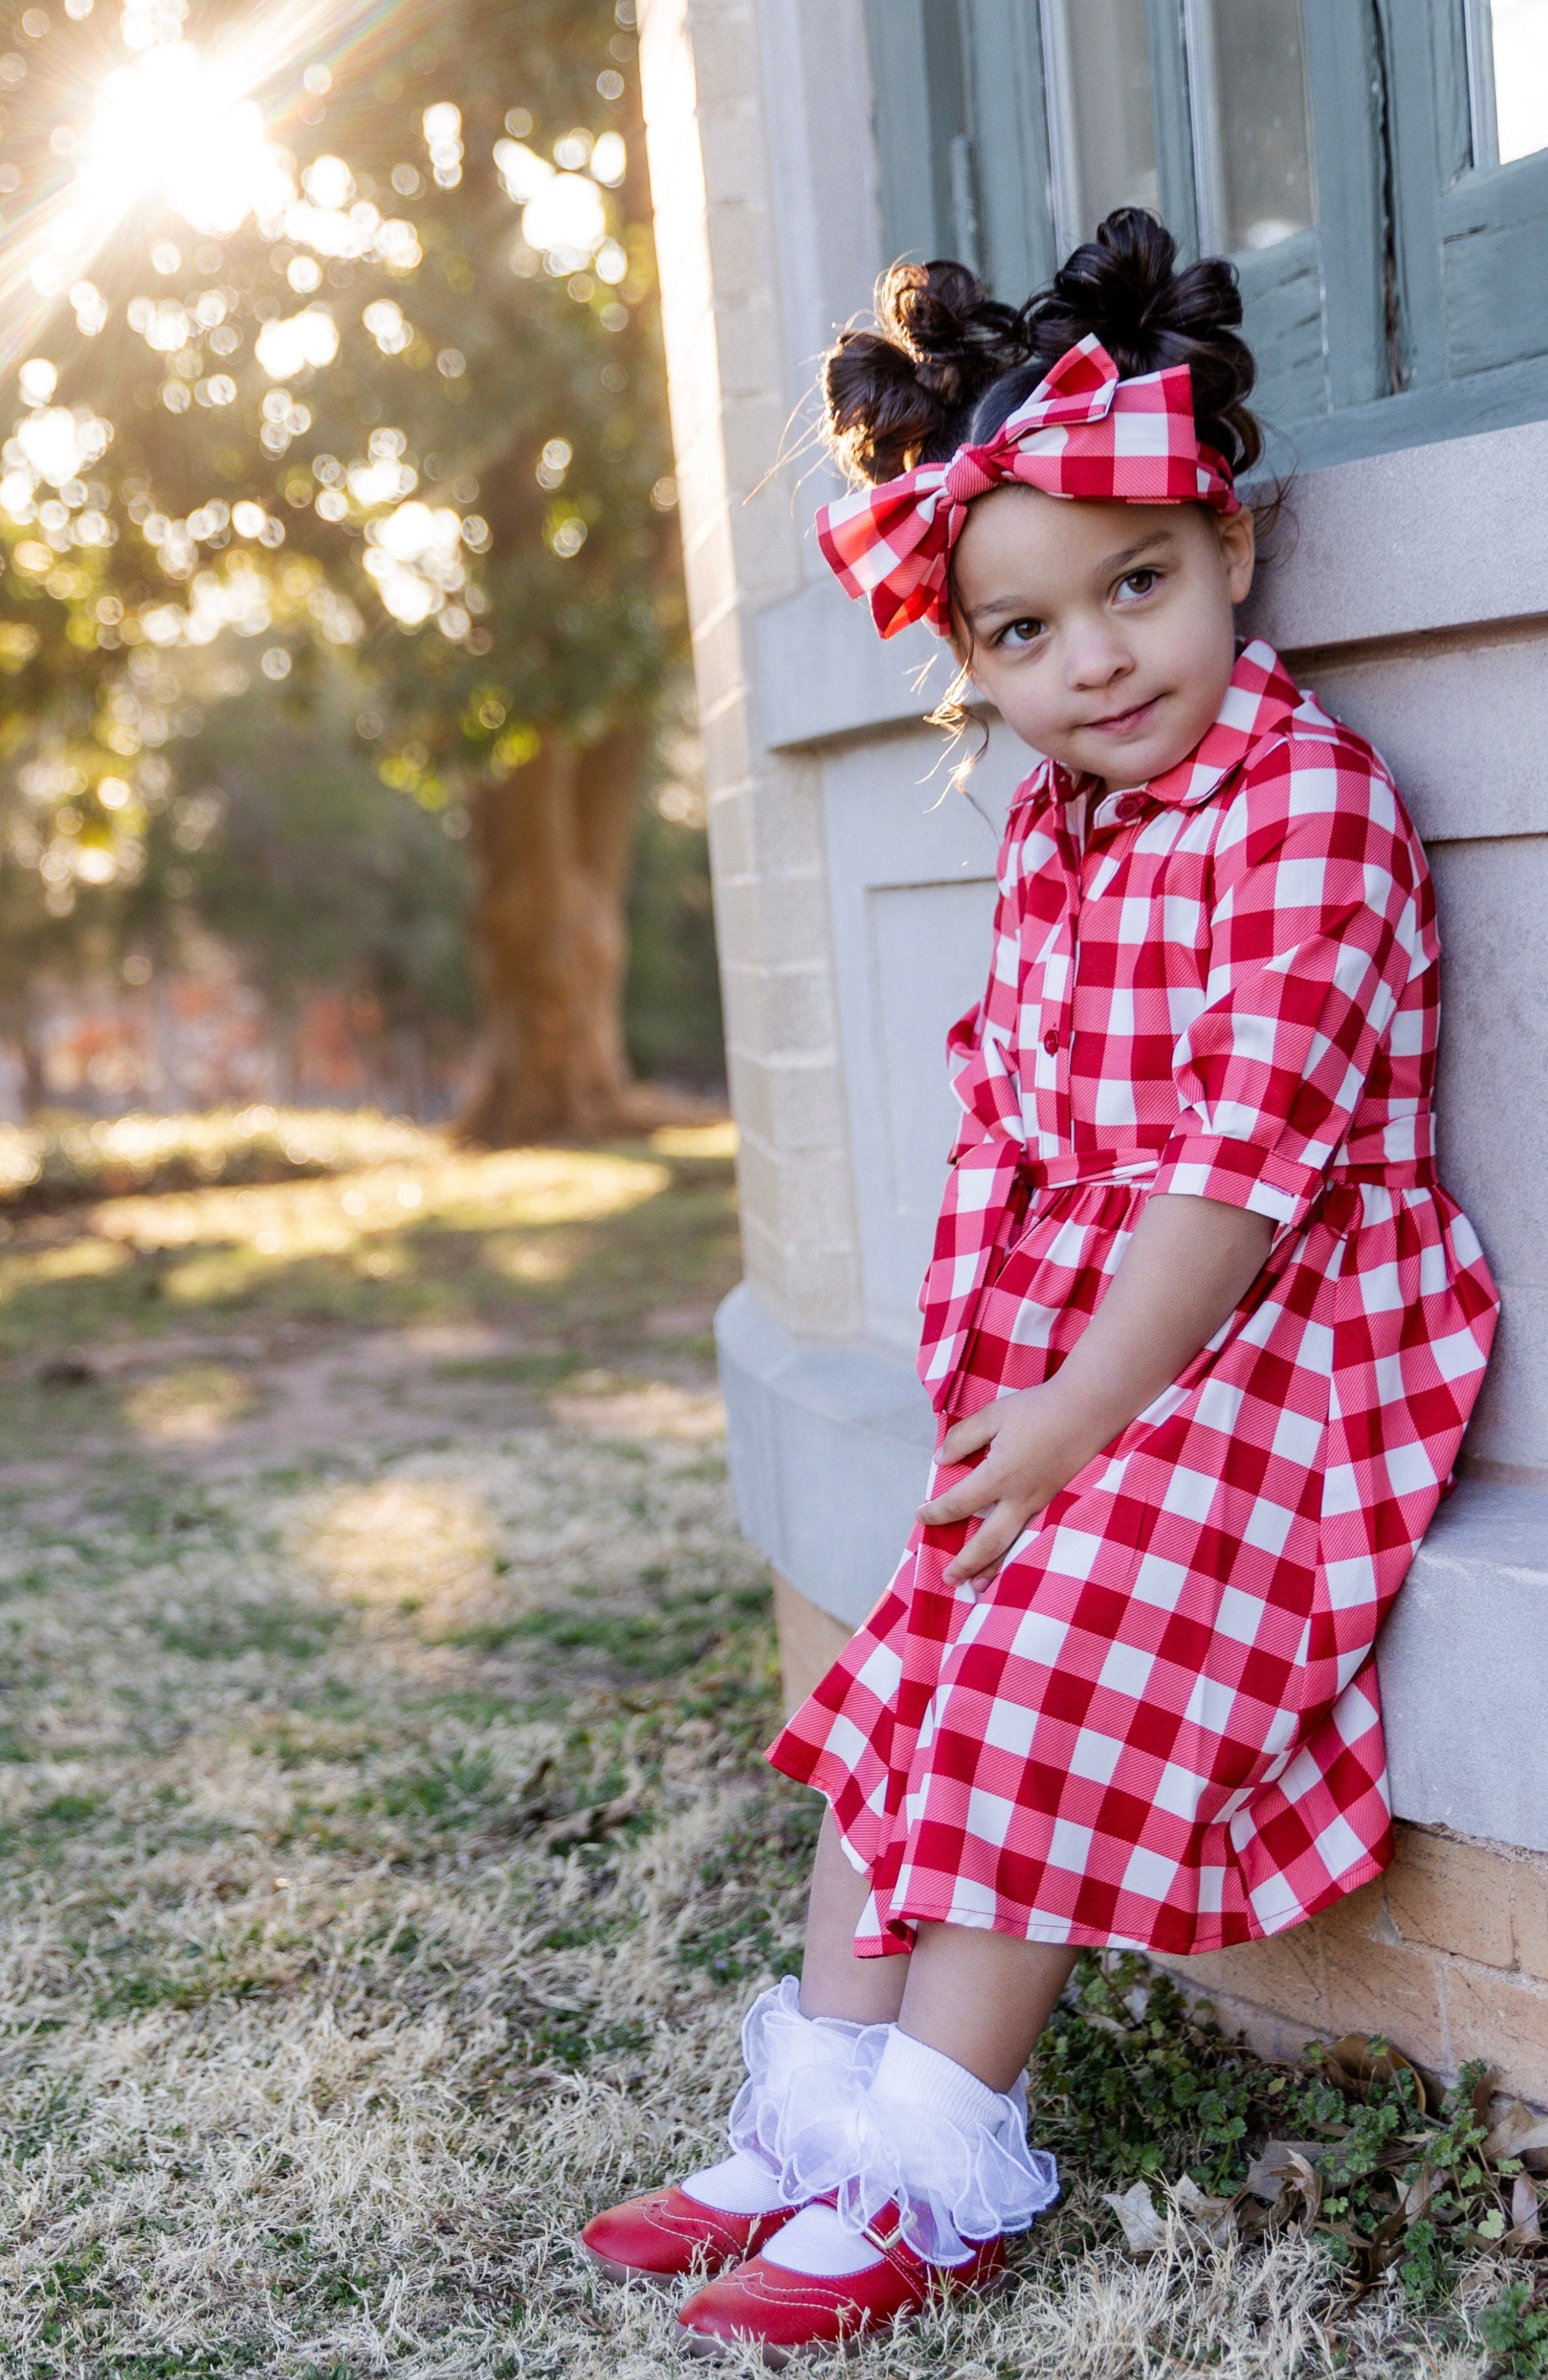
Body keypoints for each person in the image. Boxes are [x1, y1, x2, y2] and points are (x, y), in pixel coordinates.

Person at [579, 209, 1499, 2362]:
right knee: (905, 1687)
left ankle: (931, 2162)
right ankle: (814, 2113)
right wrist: (1007, 1370)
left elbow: (1238, 1178)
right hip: (1083, 1335)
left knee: (1039, 1688)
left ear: (1232, 546)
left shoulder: (1306, 813)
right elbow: (1013, 1104)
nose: (1094, 661)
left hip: (1273, 1335)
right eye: (1025, 631)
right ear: (968, 658)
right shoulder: (1059, 823)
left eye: (1138, 586)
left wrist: (1079, 1411)